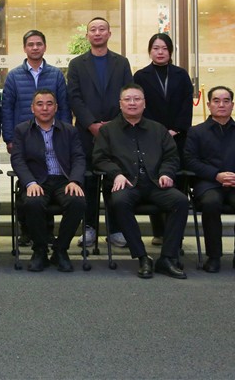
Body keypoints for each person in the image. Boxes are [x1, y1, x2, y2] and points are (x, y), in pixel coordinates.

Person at [93, 84, 187, 280]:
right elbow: (99, 159)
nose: (132, 103)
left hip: (155, 183)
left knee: (180, 201)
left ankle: (167, 257)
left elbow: (171, 156)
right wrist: (116, 174)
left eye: (137, 99)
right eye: (127, 99)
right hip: (126, 183)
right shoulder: (107, 130)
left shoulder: (158, 129)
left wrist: (166, 173)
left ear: (144, 104)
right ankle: (142, 257)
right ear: (120, 104)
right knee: (119, 201)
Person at [184, 86, 235, 275]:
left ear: (232, 104)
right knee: (211, 203)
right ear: (208, 105)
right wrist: (216, 175)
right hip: (209, 183)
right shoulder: (196, 132)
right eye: (216, 101)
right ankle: (213, 257)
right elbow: (190, 161)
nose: (221, 105)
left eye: (226, 101)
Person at [66, 17, 133, 248]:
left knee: (115, 179)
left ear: (109, 33)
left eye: (101, 29)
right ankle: (89, 227)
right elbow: (74, 97)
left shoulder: (121, 63)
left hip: (117, 132)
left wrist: (113, 125)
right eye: (93, 30)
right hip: (86, 132)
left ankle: (116, 229)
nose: (97, 33)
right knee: (88, 180)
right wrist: (92, 124)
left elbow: (128, 94)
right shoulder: (77, 64)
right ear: (87, 35)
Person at [1, 29, 70, 246]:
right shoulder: (14, 75)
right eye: (30, 44)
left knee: (49, 178)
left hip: (52, 135)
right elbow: (7, 108)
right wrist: (9, 138)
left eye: (39, 44)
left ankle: (47, 232)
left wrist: (65, 135)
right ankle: (26, 231)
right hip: (24, 137)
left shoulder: (56, 74)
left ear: (45, 47)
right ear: (24, 48)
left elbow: (64, 106)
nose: (35, 47)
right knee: (27, 183)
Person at [10, 89, 86, 272]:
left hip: (63, 180)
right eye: (40, 104)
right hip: (37, 181)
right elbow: (17, 159)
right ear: (32, 108)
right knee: (32, 202)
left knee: (78, 201)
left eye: (49, 104)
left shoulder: (69, 130)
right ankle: (40, 250)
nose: (45, 108)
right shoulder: (22, 130)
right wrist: (30, 182)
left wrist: (75, 180)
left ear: (56, 107)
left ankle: (60, 250)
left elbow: (79, 157)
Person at [133, 33, 194, 246]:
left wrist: (176, 129)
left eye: (164, 48)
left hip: (179, 137)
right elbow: (140, 105)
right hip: (151, 138)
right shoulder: (141, 76)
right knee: (155, 179)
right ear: (150, 51)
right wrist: (158, 131)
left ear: (170, 52)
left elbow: (187, 104)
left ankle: (176, 233)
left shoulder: (181, 75)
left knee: (177, 183)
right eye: (156, 48)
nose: (160, 52)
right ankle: (159, 231)